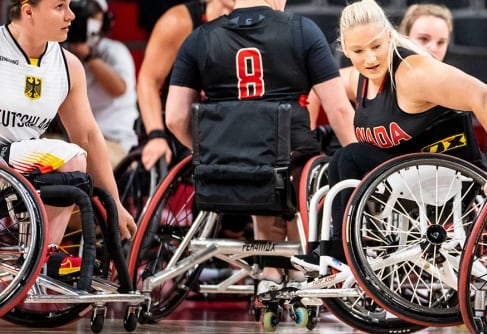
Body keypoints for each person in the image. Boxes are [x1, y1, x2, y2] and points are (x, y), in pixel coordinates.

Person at [291, 0, 487, 271]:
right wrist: (309, 137)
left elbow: (486, 96)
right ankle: (341, 249)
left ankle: (340, 252)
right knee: (343, 159)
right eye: (359, 51)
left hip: (450, 175)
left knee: (348, 157)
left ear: (388, 36)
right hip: (408, 174)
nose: (370, 58)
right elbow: (317, 91)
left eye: (376, 46)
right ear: (346, 51)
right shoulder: (358, 78)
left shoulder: (414, 73)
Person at [165, 0, 356, 291]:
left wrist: (210, 153)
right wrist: (364, 168)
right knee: (291, 162)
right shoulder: (302, 30)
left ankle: (271, 269)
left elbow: (175, 118)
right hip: (288, 167)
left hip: (224, 170)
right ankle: (291, 267)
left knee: (262, 160)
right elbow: (340, 111)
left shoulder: (199, 38)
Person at [2, 0, 136, 275]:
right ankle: (40, 260)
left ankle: (39, 260)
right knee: (69, 156)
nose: (71, 15)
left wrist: (115, 205)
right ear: (28, 11)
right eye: (59, 6)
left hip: (17, 167)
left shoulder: (68, 66)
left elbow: (87, 136)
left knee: (74, 166)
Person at [306, 3, 453, 131]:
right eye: (424, 39)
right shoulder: (369, 73)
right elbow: (318, 88)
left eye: (441, 42)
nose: (433, 48)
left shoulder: (447, 81)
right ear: (401, 35)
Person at [136, 0, 234, 171]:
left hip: (224, 127)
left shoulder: (256, 25)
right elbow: (148, 81)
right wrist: (156, 134)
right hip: (175, 124)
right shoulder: (179, 21)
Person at [64, 0, 138, 167]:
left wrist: (89, 57)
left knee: (80, 162)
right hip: (71, 142)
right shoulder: (59, 53)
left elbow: (119, 88)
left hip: (114, 141)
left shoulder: (114, 51)